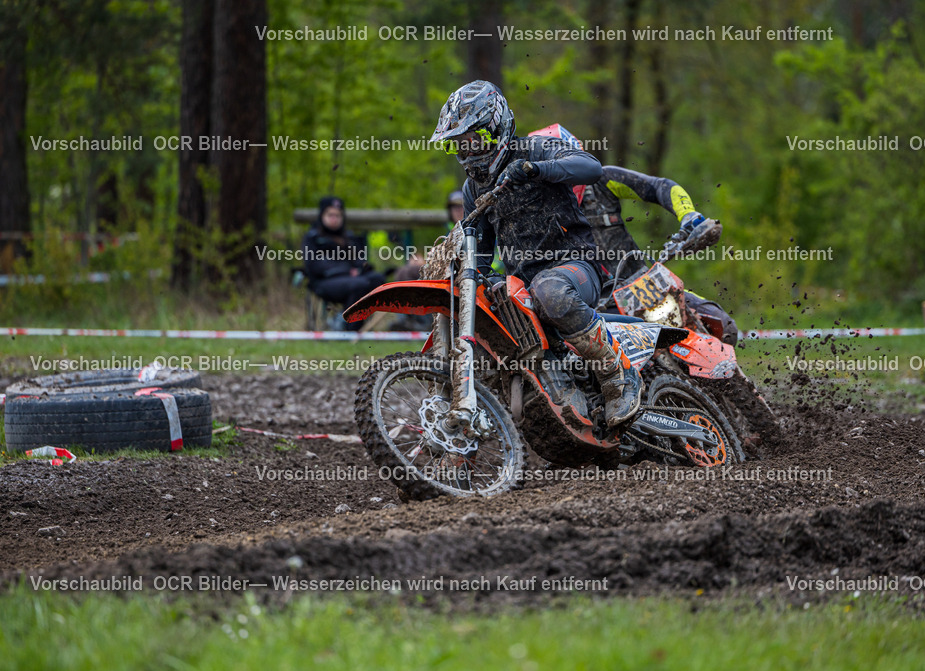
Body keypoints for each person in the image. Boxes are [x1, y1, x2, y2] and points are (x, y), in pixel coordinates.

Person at [430, 80, 641, 428]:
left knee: (550, 290)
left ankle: (618, 375)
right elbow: (481, 250)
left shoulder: (534, 149)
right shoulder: (473, 188)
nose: (467, 153)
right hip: (522, 282)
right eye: (459, 146)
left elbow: (592, 169)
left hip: (575, 267)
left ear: (495, 130)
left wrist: (537, 170)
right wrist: (480, 275)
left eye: (473, 141)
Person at [528, 123, 739, 345]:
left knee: (724, 328)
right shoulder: (530, 217)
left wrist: (688, 216)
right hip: (597, 309)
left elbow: (659, 186)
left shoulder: (602, 181)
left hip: (645, 283)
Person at [301, 196, 385, 330]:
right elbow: (314, 265)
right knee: (359, 285)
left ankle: (357, 325)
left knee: (377, 280)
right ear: (322, 215)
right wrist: (346, 270)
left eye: (338, 215)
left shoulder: (348, 237)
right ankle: (348, 327)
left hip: (351, 279)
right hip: (324, 282)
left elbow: (359, 260)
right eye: (330, 215)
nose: (334, 219)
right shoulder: (313, 237)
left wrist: (362, 268)